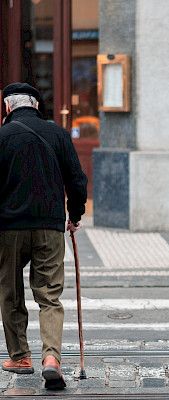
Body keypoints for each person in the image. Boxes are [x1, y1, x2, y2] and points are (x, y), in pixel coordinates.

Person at [0, 82, 87, 390]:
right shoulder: (58, 135)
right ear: (36, 106)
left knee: (10, 291)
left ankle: (21, 357)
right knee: (49, 295)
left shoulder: (3, 136)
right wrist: (74, 216)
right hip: (50, 226)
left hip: (9, 228)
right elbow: (77, 180)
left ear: (8, 108)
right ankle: (51, 358)